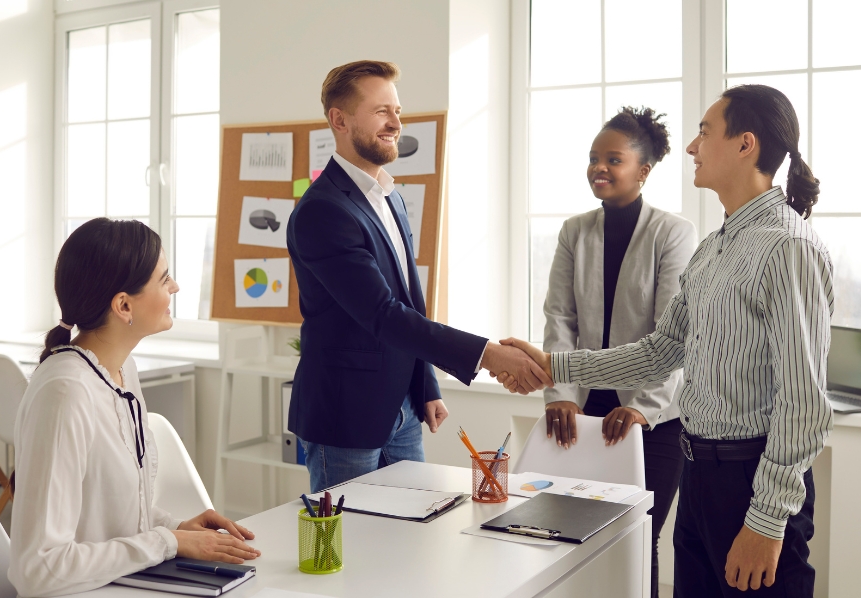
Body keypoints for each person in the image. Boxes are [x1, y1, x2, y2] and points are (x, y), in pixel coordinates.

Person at [499, 84, 832, 596]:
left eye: (704, 132)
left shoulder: (787, 247)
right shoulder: (714, 248)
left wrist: (765, 523)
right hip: (699, 475)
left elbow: (804, 404)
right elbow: (658, 353)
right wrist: (553, 365)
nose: (693, 147)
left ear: (746, 145)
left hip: (750, 481)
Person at [286, 60, 553, 494]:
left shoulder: (390, 198)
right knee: (352, 545)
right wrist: (486, 354)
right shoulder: (322, 210)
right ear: (339, 119)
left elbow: (410, 300)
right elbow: (383, 315)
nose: (395, 123)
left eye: (397, 110)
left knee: (411, 535)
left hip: (405, 408)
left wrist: (425, 384)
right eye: (380, 111)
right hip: (345, 415)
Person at [9, 218, 260, 597]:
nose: (175, 286)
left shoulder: (122, 368)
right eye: (164, 279)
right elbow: (38, 569)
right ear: (124, 305)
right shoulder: (66, 393)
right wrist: (168, 541)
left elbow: (107, 515)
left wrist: (177, 529)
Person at [539, 106, 696, 598]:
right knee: (570, 537)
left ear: (643, 171)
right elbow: (559, 318)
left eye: (613, 159)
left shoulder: (673, 233)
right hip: (583, 416)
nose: (598, 168)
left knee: (635, 539)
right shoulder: (574, 231)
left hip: (653, 422)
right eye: (592, 158)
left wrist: (641, 407)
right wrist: (560, 393)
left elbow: (674, 335)